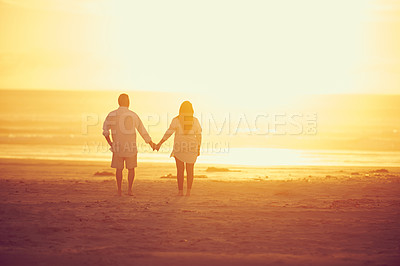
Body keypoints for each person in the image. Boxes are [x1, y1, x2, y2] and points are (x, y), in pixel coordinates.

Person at [103, 93, 156, 196]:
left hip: (117, 147)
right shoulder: (133, 115)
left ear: (118, 102)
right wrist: (151, 143)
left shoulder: (112, 114)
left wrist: (110, 143)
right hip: (130, 147)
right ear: (128, 102)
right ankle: (129, 190)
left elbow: (105, 131)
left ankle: (119, 191)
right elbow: (142, 131)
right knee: (131, 169)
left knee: (119, 169)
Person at [156, 101, 202, 196]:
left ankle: (180, 192)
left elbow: (168, 133)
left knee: (180, 170)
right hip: (191, 147)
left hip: (179, 147)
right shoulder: (195, 121)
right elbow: (199, 136)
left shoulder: (176, 120)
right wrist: (198, 147)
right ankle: (188, 192)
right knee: (190, 170)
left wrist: (160, 142)